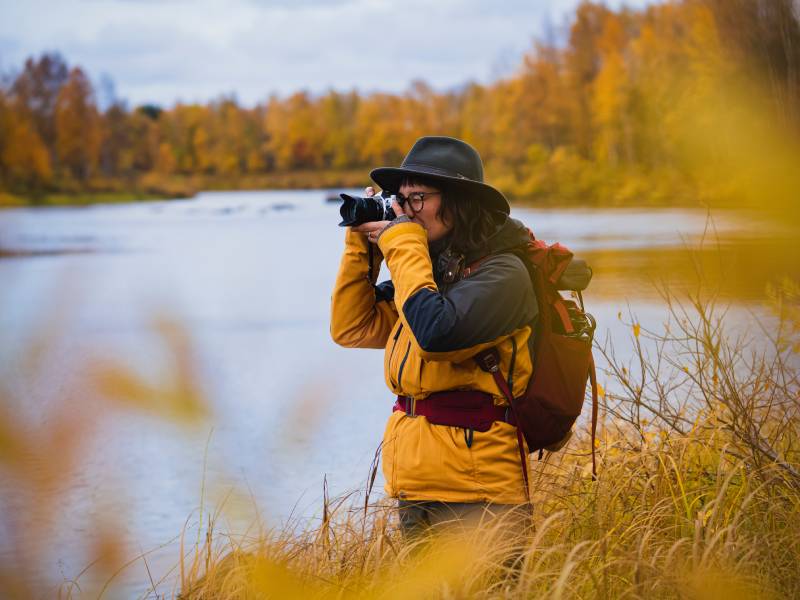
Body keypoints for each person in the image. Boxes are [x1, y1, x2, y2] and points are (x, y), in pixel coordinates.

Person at [330, 136, 538, 537]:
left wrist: (402, 240)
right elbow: (351, 326)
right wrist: (362, 247)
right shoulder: (431, 276)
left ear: (459, 202)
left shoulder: (504, 276)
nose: (405, 211)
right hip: (415, 487)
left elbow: (436, 336)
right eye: (400, 200)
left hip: (480, 493)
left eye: (418, 198)